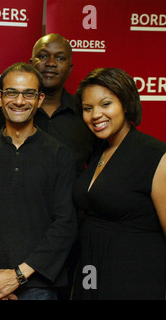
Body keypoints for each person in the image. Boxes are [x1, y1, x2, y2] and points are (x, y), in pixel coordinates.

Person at [0, 62, 77, 300]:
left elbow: (65, 223)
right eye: (12, 92)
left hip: (39, 284)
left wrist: (18, 275)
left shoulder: (59, 154)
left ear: (40, 99)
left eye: (28, 94)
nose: (20, 101)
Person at [72, 68, 166, 300]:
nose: (96, 115)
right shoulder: (98, 151)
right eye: (88, 108)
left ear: (125, 104)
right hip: (91, 274)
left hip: (134, 280)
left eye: (106, 104)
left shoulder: (155, 155)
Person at [0, 33, 95, 176]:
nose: (51, 63)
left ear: (70, 68)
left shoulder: (84, 111)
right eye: (42, 56)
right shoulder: (4, 108)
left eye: (60, 58)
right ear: (31, 63)